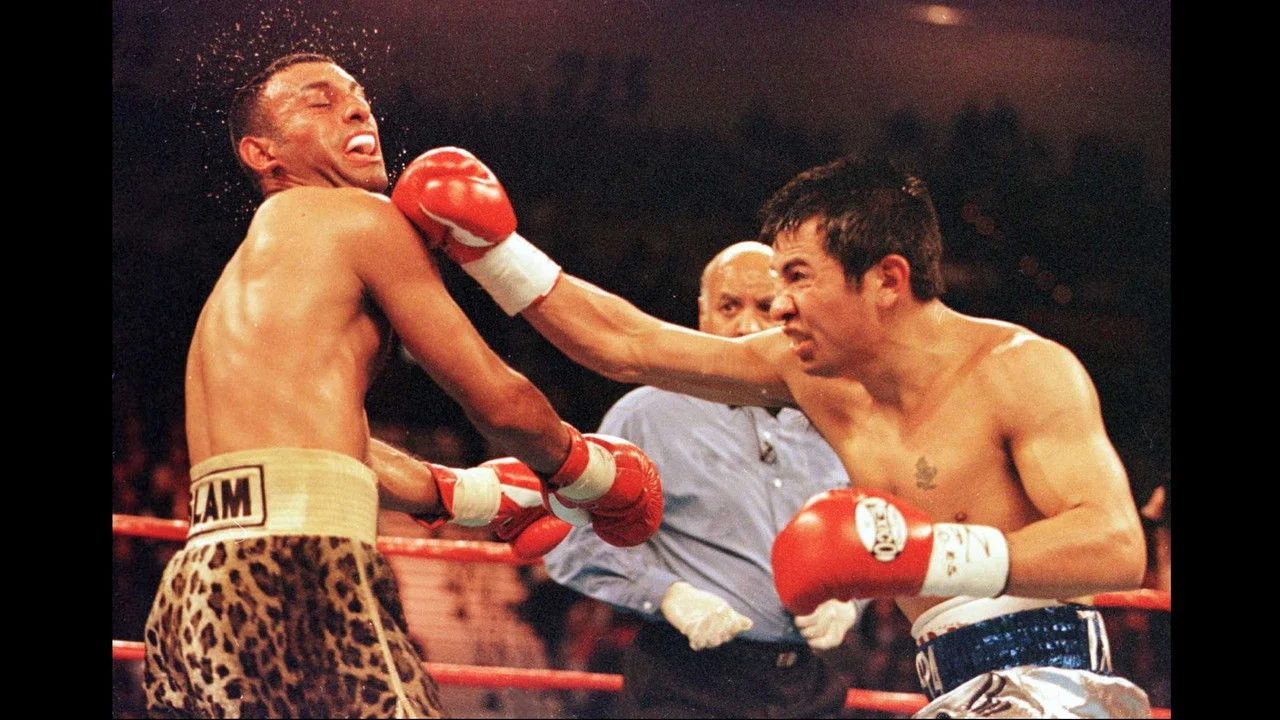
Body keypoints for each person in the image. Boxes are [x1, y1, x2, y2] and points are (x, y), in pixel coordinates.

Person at [393, 152, 1154, 718]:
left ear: (887, 280)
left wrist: (931, 556)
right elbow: (625, 344)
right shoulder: (811, 375)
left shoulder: (1021, 370)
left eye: (797, 277)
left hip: (1052, 681)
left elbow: (1117, 544)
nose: (779, 306)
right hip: (948, 683)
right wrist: (492, 252)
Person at [141, 53, 662, 719]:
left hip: (196, 591)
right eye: (320, 101)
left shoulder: (244, 283)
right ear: (263, 154)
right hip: (302, 571)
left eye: (358, 97)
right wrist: (584, 470)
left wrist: (473, 495)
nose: (357, 109)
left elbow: (311, 457)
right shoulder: (360, 217)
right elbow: (495, 400)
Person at [541, 240, 861, 718]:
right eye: (729, 307)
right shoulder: (645, 415)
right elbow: (572, 541)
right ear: (702, 314)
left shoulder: (834, 419)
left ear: (789, 314)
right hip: (687, 677)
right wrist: (667, 594)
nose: (746, 326)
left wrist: (849, 600)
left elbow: (869, 534)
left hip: (805, 683)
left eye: (765, 307)